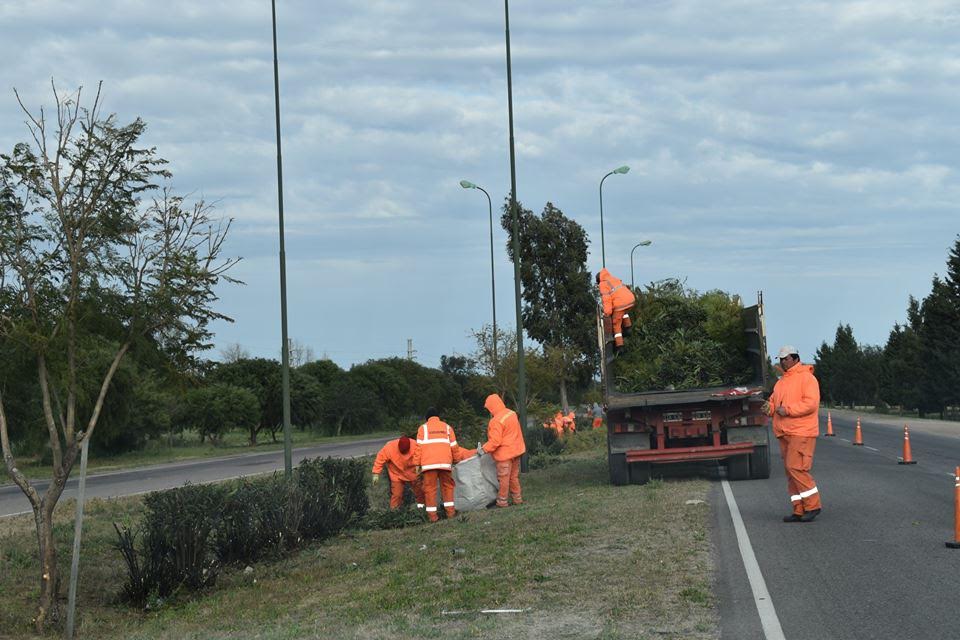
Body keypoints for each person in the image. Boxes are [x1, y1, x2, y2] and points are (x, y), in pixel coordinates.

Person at [764, 345, 822, 523]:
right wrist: (769, 408)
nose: (782, 362)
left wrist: (787, 410)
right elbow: (774, 403)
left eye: (786, 358)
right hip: (784, 432)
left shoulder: (807, 378)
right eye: (781, 359)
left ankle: (813, 506)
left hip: (801, 431)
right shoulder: (781, 382)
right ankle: (798, 509)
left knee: (796, 468)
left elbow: (810, 404)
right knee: (791, 472)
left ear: (796, 358)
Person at [413, 408, 466, 522]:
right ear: (438, 417)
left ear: (427, 419)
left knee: (430, 489)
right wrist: (456, 460)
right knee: (447, 487)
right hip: (445, 464)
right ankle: (450, 514)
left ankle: (433, 517)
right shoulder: (447, 427)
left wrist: (417, 464)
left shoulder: (423, 428)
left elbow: (418, 449)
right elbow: (454, 447)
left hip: (428, 465)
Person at [481, 394, 526, 507]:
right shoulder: (511, 413)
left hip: (505, 454)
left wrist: (483, 449)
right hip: (517, 451)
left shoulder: (496, 421)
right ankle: (517, 499)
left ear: (491, 407)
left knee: (503, 479)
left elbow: (495, 441)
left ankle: (502, 502)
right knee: (513, 477)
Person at [372, 435, 425, 510]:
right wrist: (375, 475)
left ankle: (422, 509)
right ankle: (394, 513)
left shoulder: (416, 446)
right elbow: (379, 460)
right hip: (396, 475)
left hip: (413, 474)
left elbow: (422, 459)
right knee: (396, 495)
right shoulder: (389, 447)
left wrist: (420, 473)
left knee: (420, 493)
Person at [596, 268, 636, 349]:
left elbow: (606, 300)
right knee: (624, 312)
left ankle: (619, 345)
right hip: (630, 299)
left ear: (598, 280)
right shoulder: (613, 278)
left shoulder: (603, 284)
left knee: (616, 324)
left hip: (620, 304)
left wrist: (607, 313)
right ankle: (628, 327)